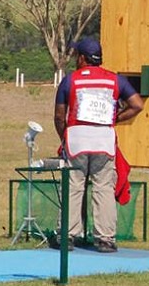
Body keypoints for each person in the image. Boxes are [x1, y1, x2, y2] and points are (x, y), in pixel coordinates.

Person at [52, 37, 143, 253]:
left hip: (77, 138)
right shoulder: (115, 80)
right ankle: (105, 239)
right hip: (104, 139)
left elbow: (59, 116)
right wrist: (115, 119)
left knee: (74, 187)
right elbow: (137, 104)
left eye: (77, 56)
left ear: (82, 58)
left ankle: (67, 236)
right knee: (103, 188)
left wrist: (64, 137)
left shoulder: (70, 80)